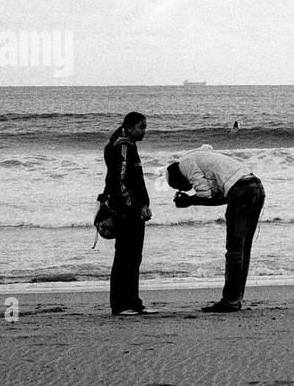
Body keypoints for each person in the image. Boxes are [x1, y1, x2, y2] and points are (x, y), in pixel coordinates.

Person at [166, 145, 265, 313]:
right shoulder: (203, 158)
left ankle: (231, 301)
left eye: (180, 186)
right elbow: (226, 197)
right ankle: (236, 298)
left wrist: (189, 201)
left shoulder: (185, 164)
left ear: (177, 176)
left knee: (234, 250)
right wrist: (191, 200)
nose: (184, 188)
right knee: (243, 249)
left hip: (241, 190)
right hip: (256, 187)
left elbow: (205, 195)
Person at [103, 112, 155, 315]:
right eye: (141, 127)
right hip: (126, 212)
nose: (144, 131)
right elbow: (122, 181)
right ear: (130, 127)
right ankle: (121, 304)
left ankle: (133, 302)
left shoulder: (127, 145)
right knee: (125, 257)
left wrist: (142, 204)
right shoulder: (123, 146)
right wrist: (136, 206)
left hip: (130, 209)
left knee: (133, 257)